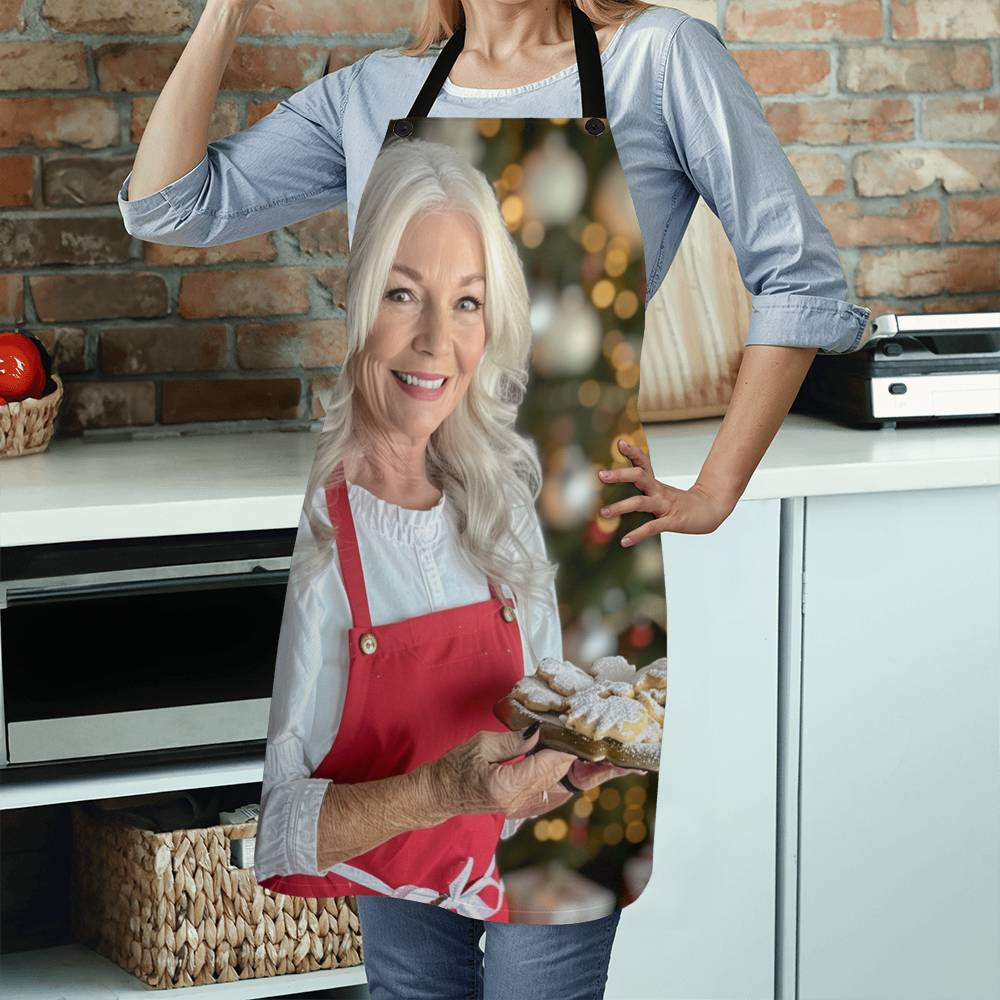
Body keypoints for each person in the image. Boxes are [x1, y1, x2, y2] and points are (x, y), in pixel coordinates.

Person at [118, 2, 871, 996]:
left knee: (542, 969)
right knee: (409, 978)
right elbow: (167, 205)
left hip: (574, 614)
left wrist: (716, 487)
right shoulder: (379, 93)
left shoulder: (655, 59)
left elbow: (798, 276)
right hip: (396, 603)